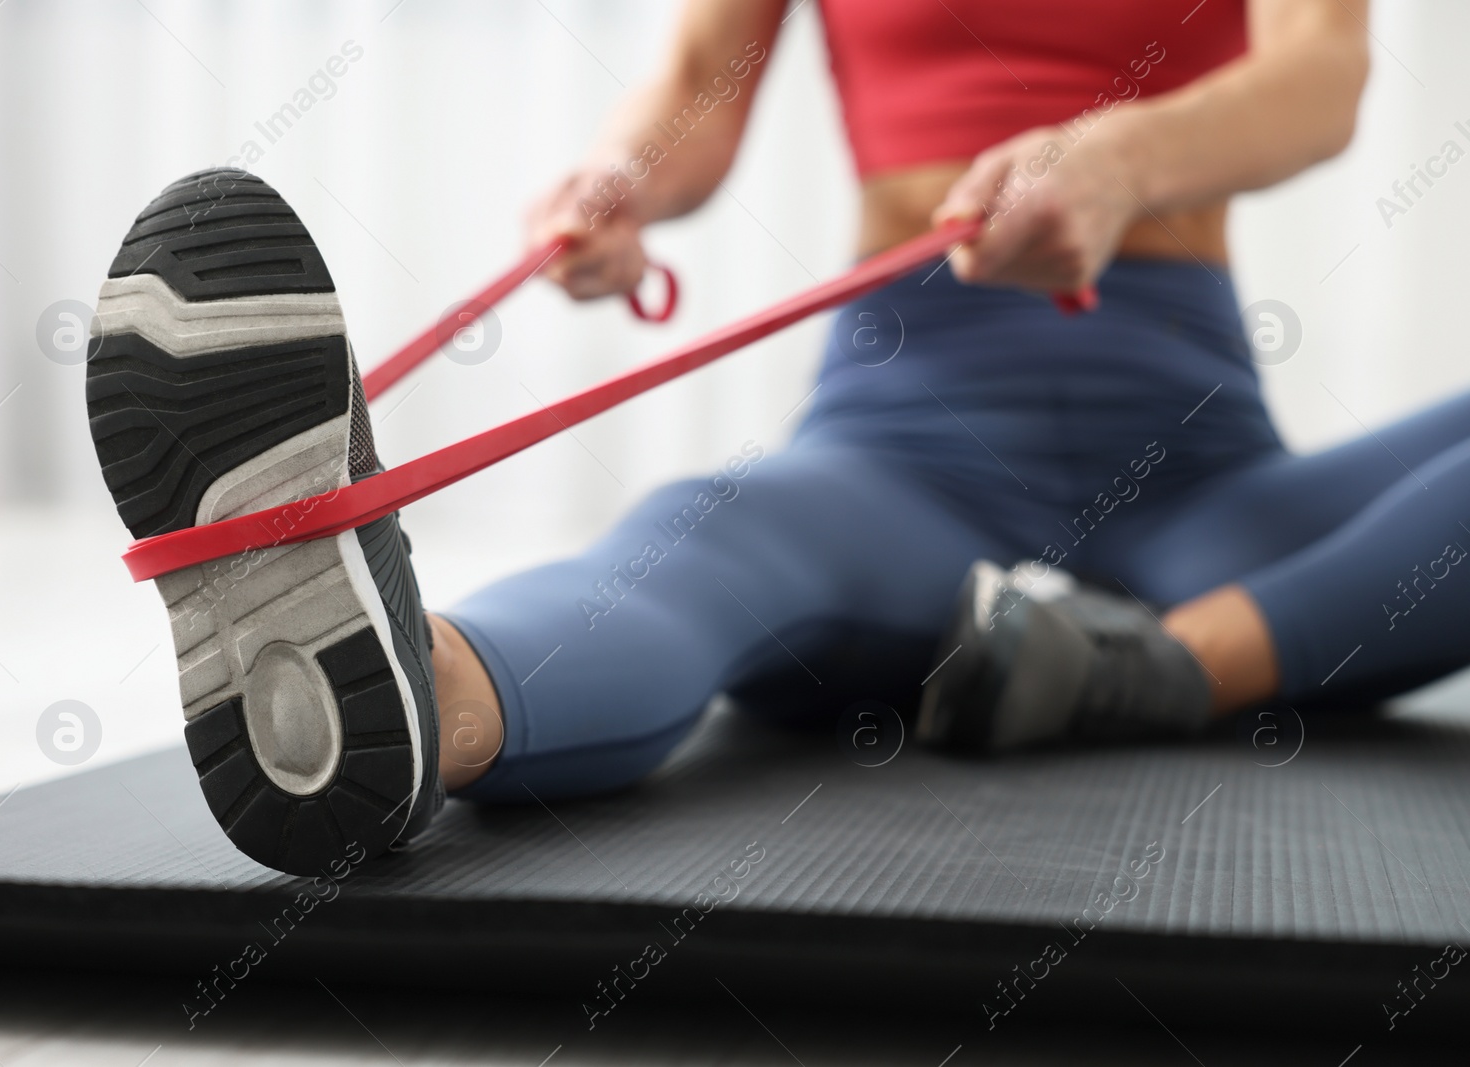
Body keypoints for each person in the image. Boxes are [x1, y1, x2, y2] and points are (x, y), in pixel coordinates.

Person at [90, 0, 1463, 876]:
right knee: (706, 537)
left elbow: (1326, 73)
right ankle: (400, 694)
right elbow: (701, 72)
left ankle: (1159, 670)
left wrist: (1114, 157)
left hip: (1197, 472)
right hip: (907, 445)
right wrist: (621, 178)